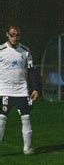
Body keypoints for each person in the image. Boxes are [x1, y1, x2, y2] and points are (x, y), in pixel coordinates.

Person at [0, 25, 41, 154]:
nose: (15, 37)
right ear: (7, 34)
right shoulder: (1, 51)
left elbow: (31, 70)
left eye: (17, 35)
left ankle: (27, 148)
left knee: (26, 117)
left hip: (21, 91)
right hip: (5, 90)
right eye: (12, 34)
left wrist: (35, 88)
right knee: (1, 120)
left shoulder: (25, 51)